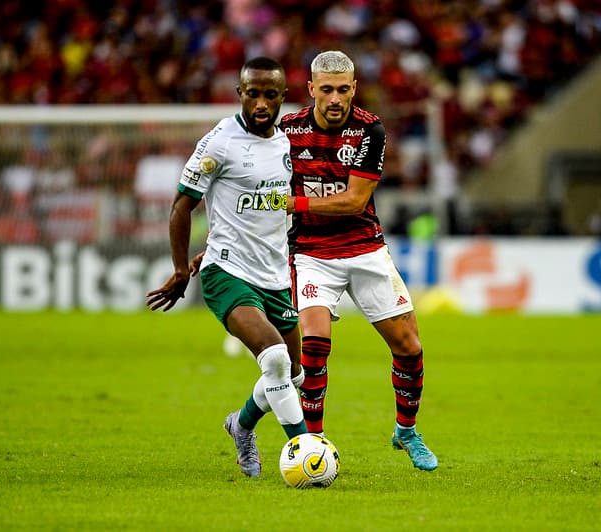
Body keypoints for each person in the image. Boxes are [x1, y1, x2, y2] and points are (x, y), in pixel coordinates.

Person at [146, 57, 307, 478]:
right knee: (274, 359)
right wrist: (183, 270)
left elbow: (270, 211)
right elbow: (183, 204)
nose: (260, 103)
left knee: (297, 374)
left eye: (269, 95)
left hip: (275, 275)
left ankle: (241, 424)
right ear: (239, 93)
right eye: (251, 93)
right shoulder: (220, 142)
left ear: (281, 98)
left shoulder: (286, 143)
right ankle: (306, 447)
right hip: (228, 274)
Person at [280, 50, 438, 471]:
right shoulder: (286, 131)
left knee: (409, 347)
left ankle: (406, 431)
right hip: (311, 253)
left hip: (365, 247)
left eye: (343, 89)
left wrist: (288, 202)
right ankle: (312, 441)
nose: (335, 98)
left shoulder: (370, 130)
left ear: (354, 89)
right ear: (311, 89)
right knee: (313, 345)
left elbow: (353, 201)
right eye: (327, 89)